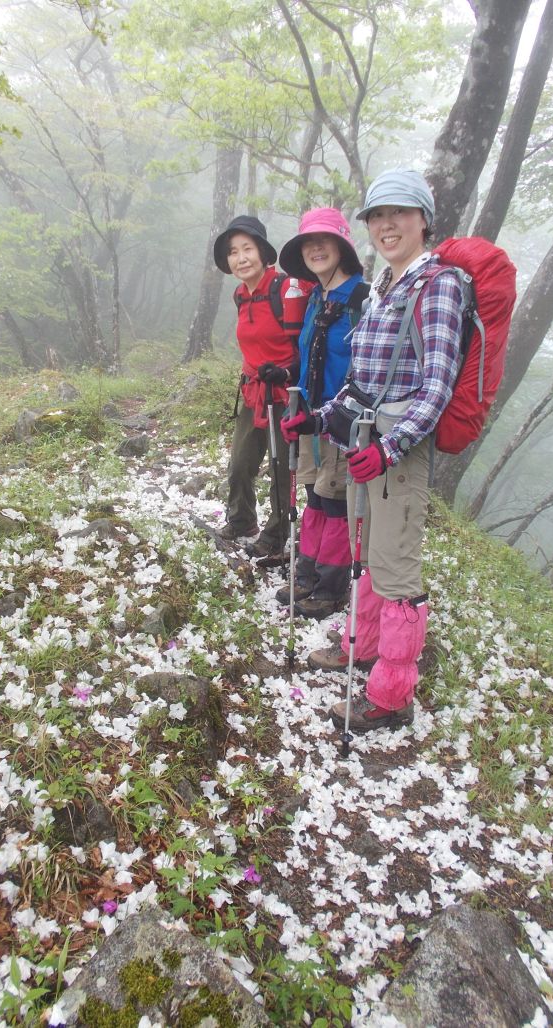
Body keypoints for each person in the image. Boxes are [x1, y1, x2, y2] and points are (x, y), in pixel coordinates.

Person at [281, 170, 463, 732]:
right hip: (363, 440)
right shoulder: (386, 285)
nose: (386, 225)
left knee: (396, 569)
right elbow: (360, 380)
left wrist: (391, 447)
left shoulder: (440, 284)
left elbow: (437, 384)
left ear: (423, 221)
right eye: (377, 217)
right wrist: (318, 418)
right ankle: (360, 644)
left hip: (396, 453)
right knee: (367, 553)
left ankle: (390, 694)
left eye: (399, 214)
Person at [275, 208, 369, 619]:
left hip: (344, 422)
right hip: (311, 417)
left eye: (324, 240)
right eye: (308, 243)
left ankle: (331, 589)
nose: (316, 248)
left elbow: (367, 367)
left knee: (335, 503)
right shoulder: (318, 297)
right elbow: (309, 354)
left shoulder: (361, 299)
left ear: (342, 247)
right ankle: (308, 572)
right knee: (315, 497)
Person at [213, 216, 310, 558]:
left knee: (282, 468)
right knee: (240, 462)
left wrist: (285, 373)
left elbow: (307, 346)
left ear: (263, 253)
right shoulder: (240, 296)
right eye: (233, 252)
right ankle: (241, 520)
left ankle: (277, 532)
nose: (240, 258)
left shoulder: (284, 290)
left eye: (247, 249)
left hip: (285, 392)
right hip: (254, 389)